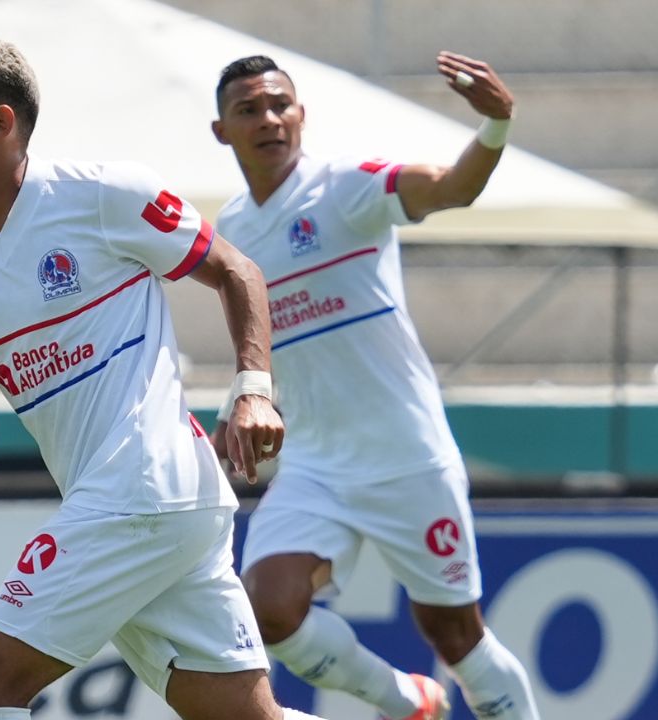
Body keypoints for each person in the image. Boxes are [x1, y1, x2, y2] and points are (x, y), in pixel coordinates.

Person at [0, 35, 327, 720]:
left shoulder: (104, 193)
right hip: (154, 506)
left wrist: (254, 389)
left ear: (0, 123)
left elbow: (236, 271)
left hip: (145, 484)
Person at [208, 53, 540, 720]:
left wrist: (496, 127)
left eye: (280, 105)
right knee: (266, 610)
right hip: (315, 465)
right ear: (222, 131)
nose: (269, 119)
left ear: (301, 116)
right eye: (249, 109)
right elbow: (259, 342)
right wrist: (236, 404)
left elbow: (450, 188)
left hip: (405, 456)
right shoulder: (233, 233)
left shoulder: (346, 190)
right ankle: (406, 701)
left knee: (456, 636)